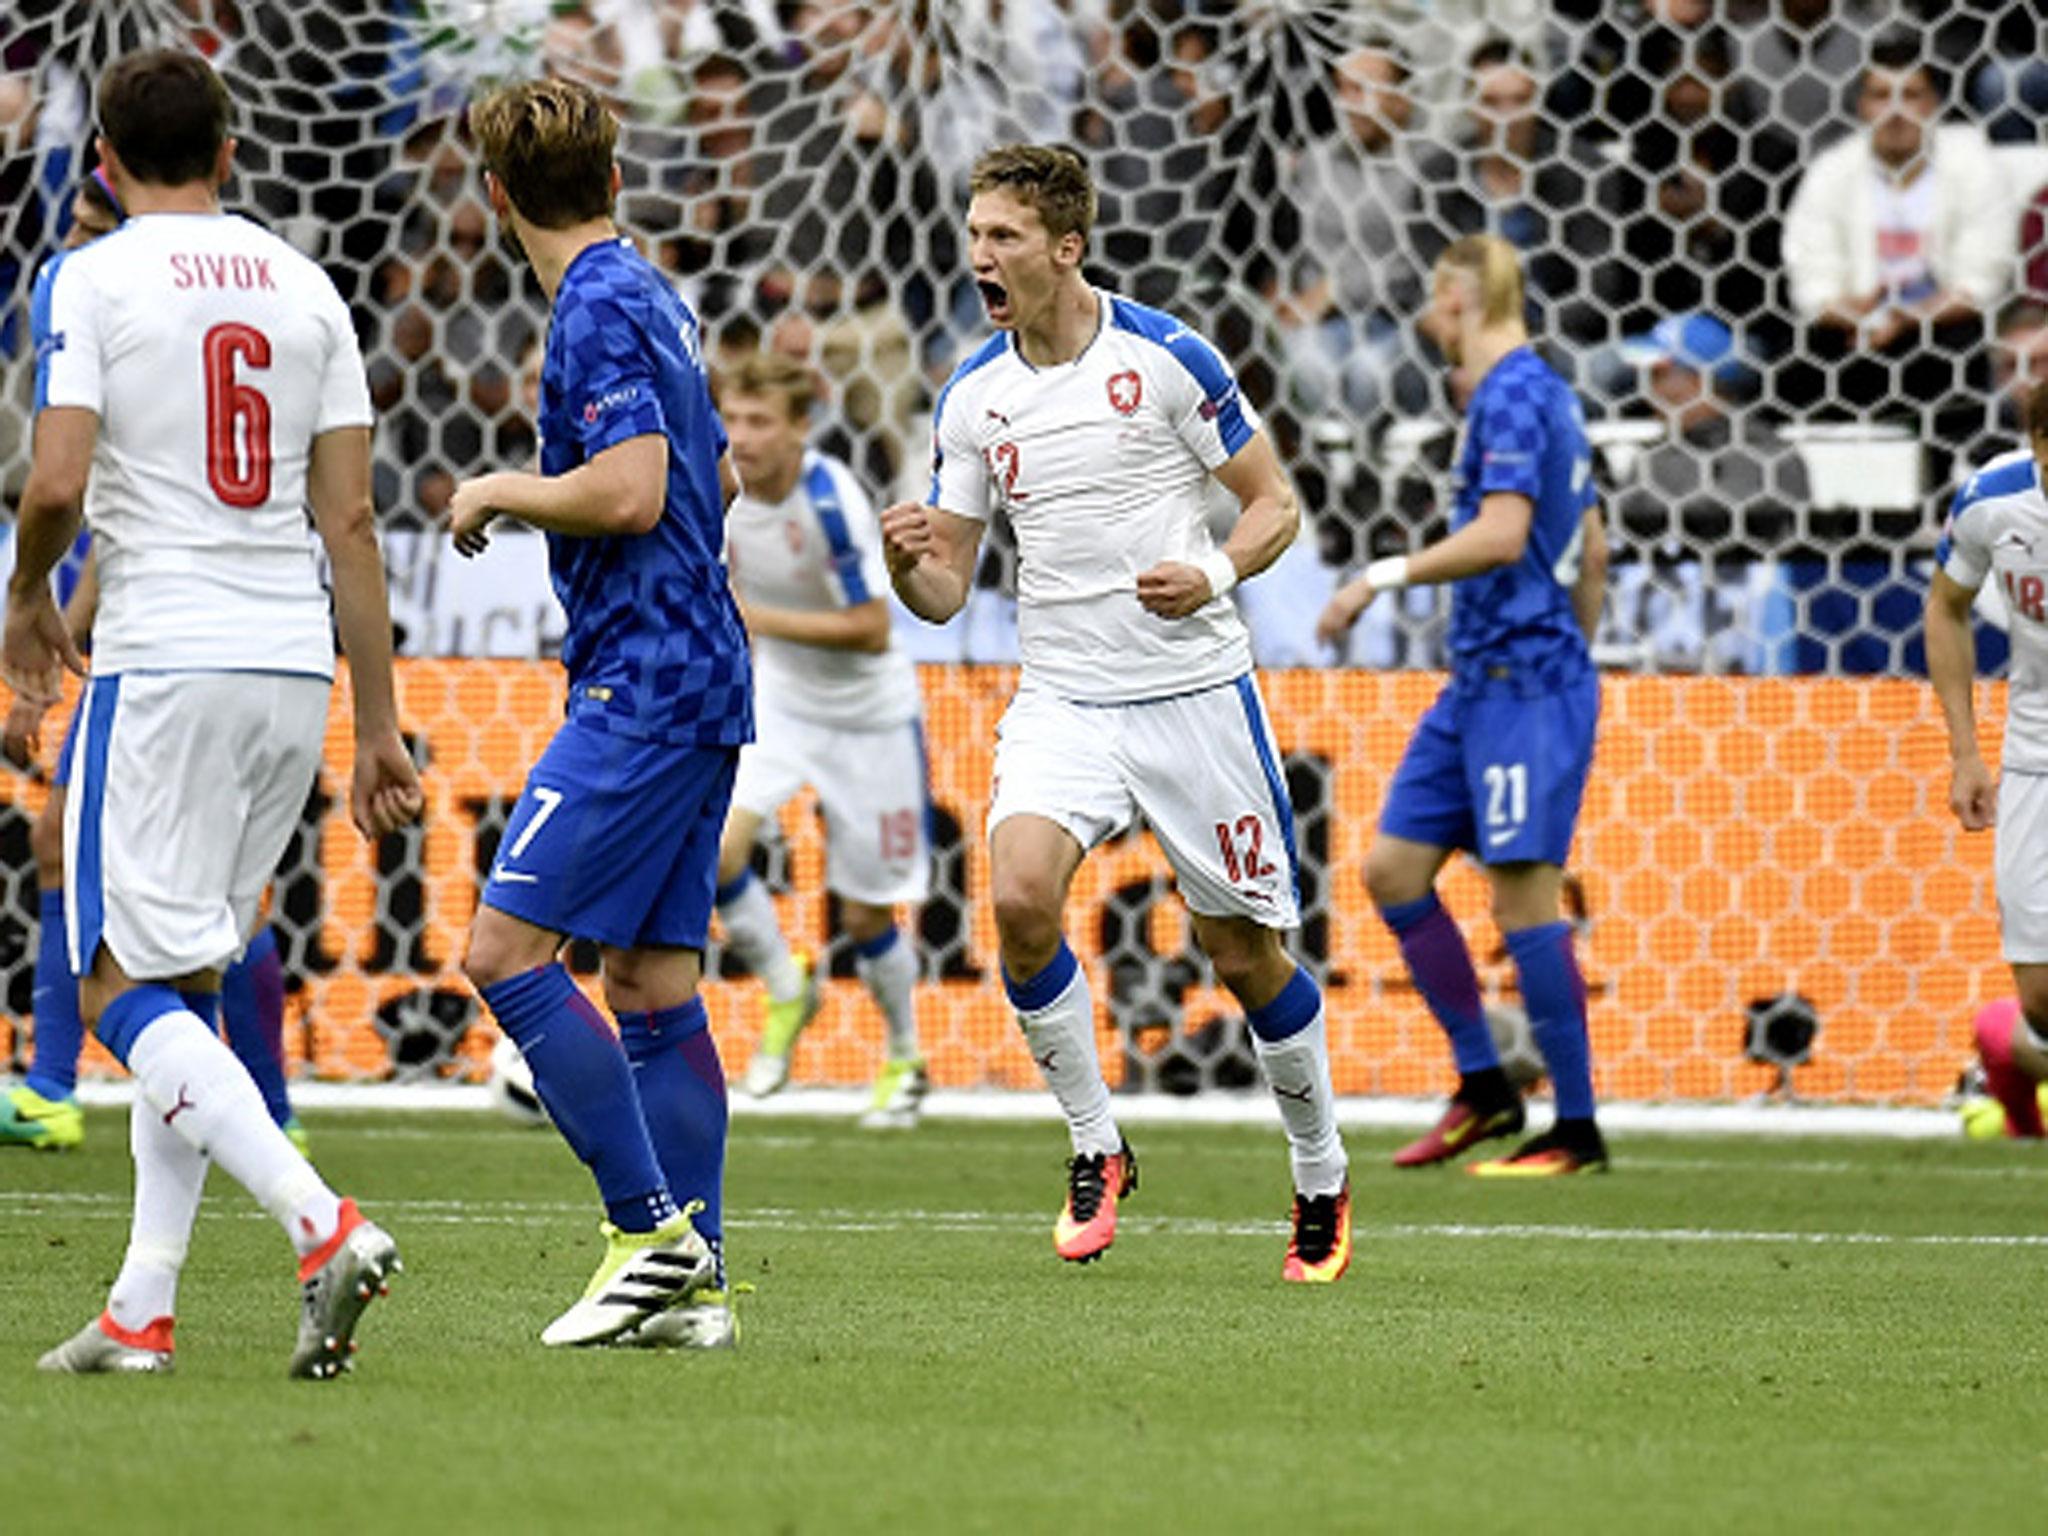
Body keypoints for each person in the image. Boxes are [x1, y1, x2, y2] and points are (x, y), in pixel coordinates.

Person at [3, 49, 420, 1377]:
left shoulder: (91, 273)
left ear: (105, 163)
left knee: (116, 978)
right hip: (289, 663)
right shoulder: (308, 285)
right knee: (186, 979)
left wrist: (24, 593)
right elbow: (349, 520)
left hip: (165, 657)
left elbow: (58, 477)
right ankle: (142, 1304)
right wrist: (383, 723)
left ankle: (322, 1223)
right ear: (232, 153)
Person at [882, 144, 1352, 1283]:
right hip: (1064, 699)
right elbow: (946, 592)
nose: (978, 253)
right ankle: (1097, 1145)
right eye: (973, 231)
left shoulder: (1168, 358)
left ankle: (1320, 1173)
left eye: (1001, 236)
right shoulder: (973, 398)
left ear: (1064, 248)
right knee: (1018, 896)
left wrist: (1215, 575)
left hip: (1190, 692)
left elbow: (1270, 504)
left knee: (1243, 954)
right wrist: (906, 570)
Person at [451, 76, 749, 1350]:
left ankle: (647, 1232)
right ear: (616, 182)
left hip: (645, 679)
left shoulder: (592, 306)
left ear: (496, 198)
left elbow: (631, 492)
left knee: (504, 958)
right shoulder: (655, 294)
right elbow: (716, 479)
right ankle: (703, 1288)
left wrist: (495, 489)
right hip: (701, 669)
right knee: (649, 982)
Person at [1, 167, 304, 1155]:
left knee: (195, 905)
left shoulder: (122, 303)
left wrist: (35, 611)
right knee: (80, 855)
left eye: (100, 222)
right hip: (229, 633)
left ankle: (257, 1111)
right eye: (79, 225)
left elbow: (70, 489)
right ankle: (66, 1091)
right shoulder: (218, 299)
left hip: (186, 639)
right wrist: (68, 638)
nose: (84, 243)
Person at [1317, 234, 1611, 1177]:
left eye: (1435, 305)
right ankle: (1486, 1089)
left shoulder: (1516, 393)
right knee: (1395, 870)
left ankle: (1574, 1127)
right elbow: (1592, 541)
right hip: (1480, 679)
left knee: (1522, 894)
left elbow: (1502, 531)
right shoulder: (1534, 394)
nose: (1426, 326)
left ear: (1461, 298)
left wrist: (1382, 575)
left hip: (1524, 681)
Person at [713, 350, 931, 1127]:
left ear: (801, 428)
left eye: (761, 422)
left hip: (870, 719)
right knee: (718, 852)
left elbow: (872, 630)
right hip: (780, 705)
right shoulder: (721, 492)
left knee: (868, 916)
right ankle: (784, 986)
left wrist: (755, 621)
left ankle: (905, 1056)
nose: (743, 436)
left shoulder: (831, 500)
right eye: (733, 419)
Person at [1925, 378, 2048, 1143]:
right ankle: (2001, 1047)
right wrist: (1965, 752)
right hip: (2036, 749)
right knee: (2039, 991)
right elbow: (1945, 606)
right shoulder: (1992, 499)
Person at [1779, 31, 2005, 428]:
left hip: (1940, 327)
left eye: (1911, 95)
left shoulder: (1972, 163)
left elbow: (1983, 276)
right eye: (1882, 96)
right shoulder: (1832, 169)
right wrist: (1856, 314)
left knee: (1958, 354)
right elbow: (1811, 278)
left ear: (1934, 103)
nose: (1896, 111)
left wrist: (1910, 317)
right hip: (1855, 329)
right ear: (1862, 106)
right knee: (1799, 362)